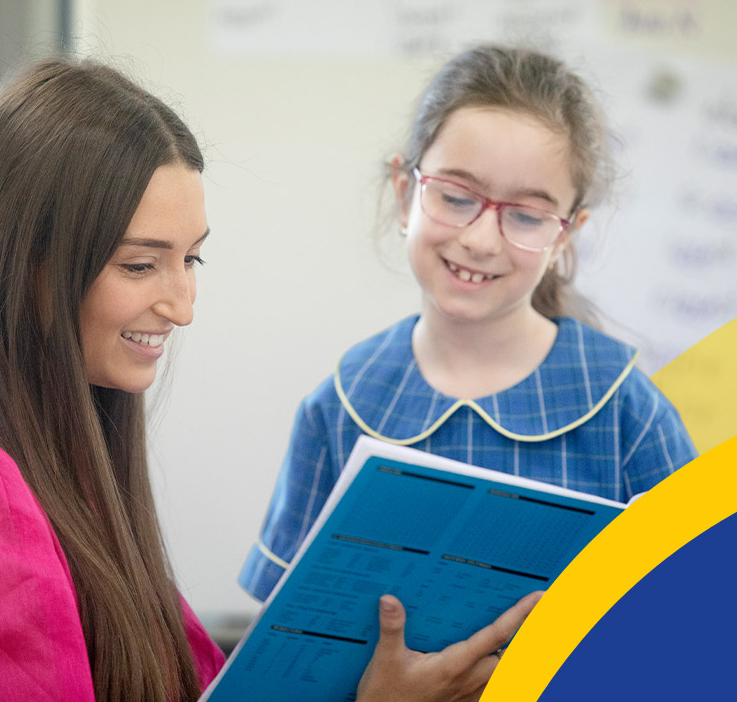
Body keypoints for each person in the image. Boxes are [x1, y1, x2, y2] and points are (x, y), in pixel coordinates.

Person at [0, 57, 535, 702]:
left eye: (191, 259)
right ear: (27, 263)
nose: (182, 307)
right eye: (139, 265)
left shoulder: (52, 445)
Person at [239, 44, 698, 603]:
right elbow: (289, 640)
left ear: (566, 234)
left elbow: (697, 608)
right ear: (405, 192)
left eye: (527, 215)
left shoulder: (626, 410)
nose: (480, 240)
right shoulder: (341, 404)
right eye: (456, 197)